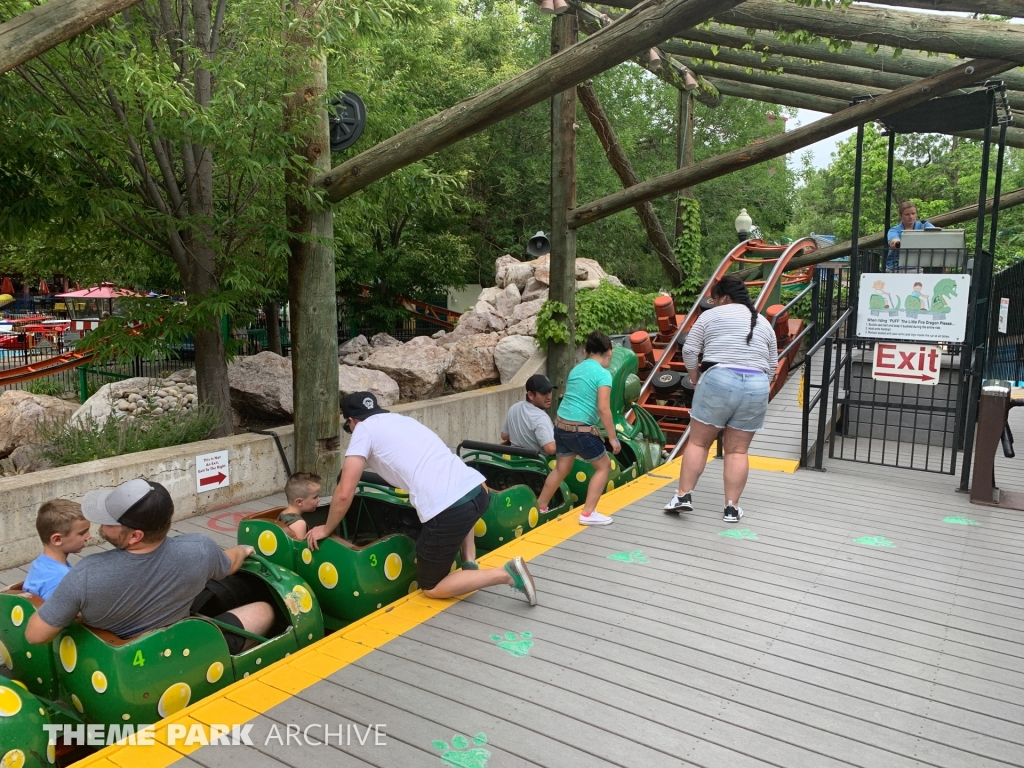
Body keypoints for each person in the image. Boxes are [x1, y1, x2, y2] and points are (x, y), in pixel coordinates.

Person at [307, 393, 538, 605]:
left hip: (450, 510)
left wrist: (326, 529)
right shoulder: (403, 421)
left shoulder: (362, 430)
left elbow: (345, 492)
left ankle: (506, 574)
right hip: (478, 490)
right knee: (457, 504)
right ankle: (470, 561)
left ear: (351, 421)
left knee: (432, 586)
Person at [25, 479, 273, 653]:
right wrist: (243, 549)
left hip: (120, 660)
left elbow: (35, 636)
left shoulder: (85, 574)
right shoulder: (201, 549)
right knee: (265, 610)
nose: (97, 524)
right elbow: (228, 565)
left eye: (108, 521)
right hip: (178, 646)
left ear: (135, 536)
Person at [664, 275, 777, 523]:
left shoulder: (711, 316)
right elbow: (772, 365)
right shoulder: (764, 323)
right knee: (738, 450)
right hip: (757, 385)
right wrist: (758, 388)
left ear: (723, 297)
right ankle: (731, 508)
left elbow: (690, 349)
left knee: (698, 443)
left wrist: (695, 377)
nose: (713, 304)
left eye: (714, 299)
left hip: (719, 378)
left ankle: (683, 497)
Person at [535, 331, 621, 526]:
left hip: (561, 427)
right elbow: (604, 409)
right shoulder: (603, 374)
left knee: (561, 468)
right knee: (604, 466)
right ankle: (588, 514)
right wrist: (613, 438)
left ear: (586, 352)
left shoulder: (576, 369)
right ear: (608, 352)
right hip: (580, 431)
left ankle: (541, 506)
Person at [22, 500, 91, 600]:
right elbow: (62, 614)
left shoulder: (39, 563)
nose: (89, 536)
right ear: (57, 539)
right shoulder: (61, 579)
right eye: (82, 533)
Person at [501, 374, 556, 456]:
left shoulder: (514, 408)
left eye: (550, 391)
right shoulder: (541, 418)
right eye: (544, 393)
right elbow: (551, 449)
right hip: (538, 465)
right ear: (530, 395)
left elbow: (504, 436)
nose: (549, 397)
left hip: (514, 461)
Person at [886, 201, 938, 271]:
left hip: (918, 267)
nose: (911, 217)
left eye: (913, 213)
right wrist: (898, 243)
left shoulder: (924, 225)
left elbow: (936, 234)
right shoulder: (894, 230)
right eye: (907, 214)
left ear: (916, 214)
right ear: (901, 215)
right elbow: (893, 242)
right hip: (896, 268)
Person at [278, 472, 322, 538]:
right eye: (315, 497)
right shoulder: (299, 524)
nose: (319, 500)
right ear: (299, 502)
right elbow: (301, 548)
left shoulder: (282, 513)